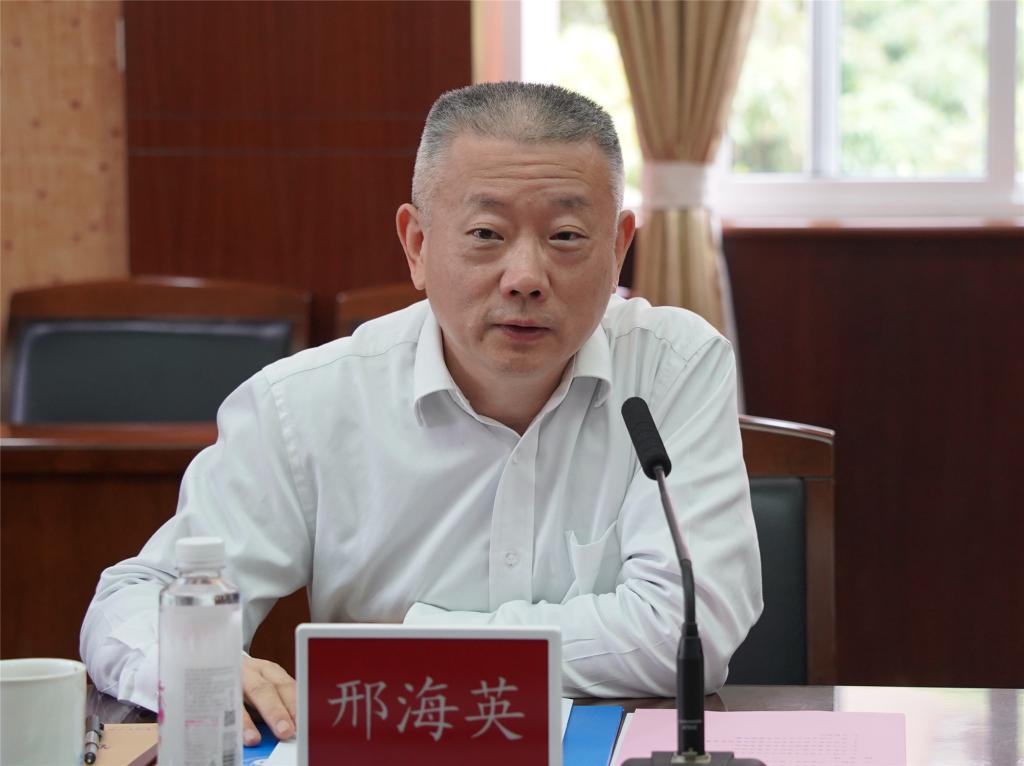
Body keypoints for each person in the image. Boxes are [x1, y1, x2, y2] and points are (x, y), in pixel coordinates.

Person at [81, 82, 762, 745]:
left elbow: (689, 626)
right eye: (486, 233)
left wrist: (407, 646)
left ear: (617, 249)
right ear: (417, 245)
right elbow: (134, 601)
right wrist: (196, 661)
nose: (526, 277)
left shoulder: (672, 369)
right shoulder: (306, 404)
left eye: (565, 235)